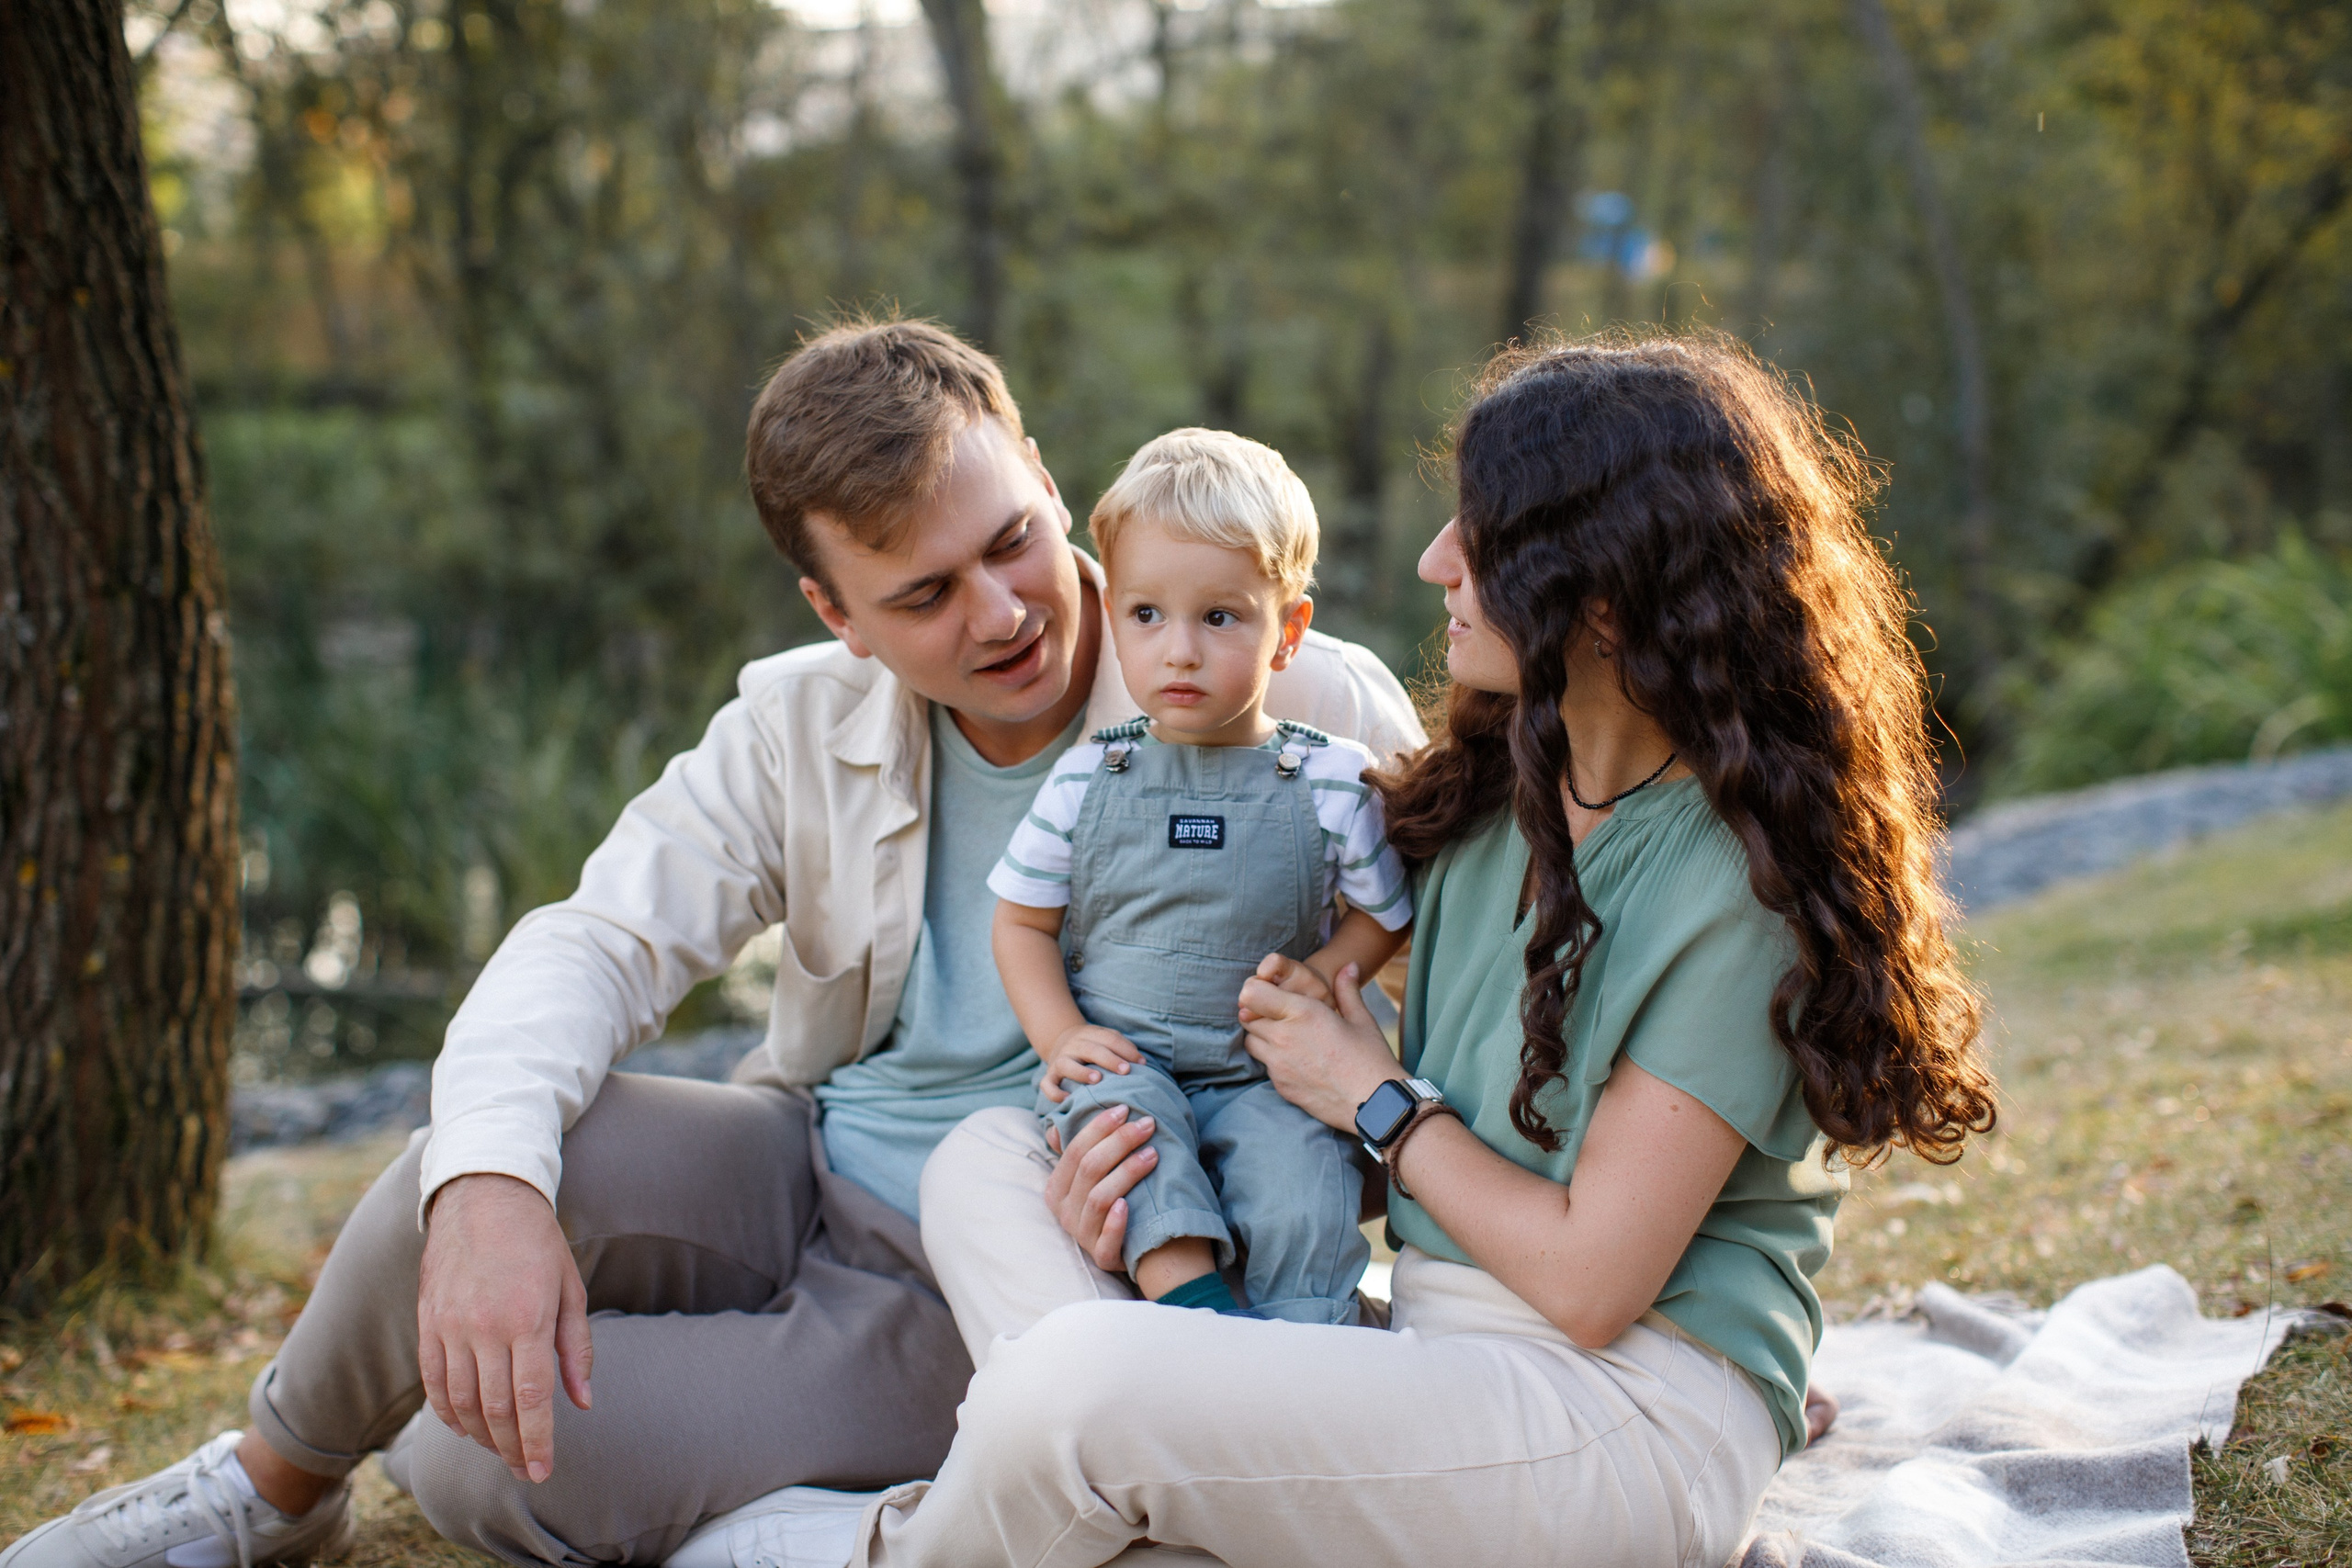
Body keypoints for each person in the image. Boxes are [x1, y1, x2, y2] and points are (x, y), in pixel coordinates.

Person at [0, 319, 1422, 1568]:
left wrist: (1288, 1106)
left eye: (1008, 543)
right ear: (836, 614)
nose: (1001, 613)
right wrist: (495, 1187)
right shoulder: (796, 722)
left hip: (1009, 1268)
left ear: (1047, 480)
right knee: (467, 1163)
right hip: (801, 1159)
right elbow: (596, 937)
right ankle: (272, 1487)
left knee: (474, 1454)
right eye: (923, 595)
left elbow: (1449, 975)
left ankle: (880, 1517)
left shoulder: (1294, 695)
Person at [889, 331, 1997, 1568]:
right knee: (988, 1153)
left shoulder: (1739, 882)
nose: (1435, 564)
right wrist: (1149, 1168)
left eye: (1480, 539)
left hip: (1615, 1404)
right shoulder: (1490, 796)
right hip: (1432, 1351)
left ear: (1609, 591)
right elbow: (1438, 1137)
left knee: (1076, 1388)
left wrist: (1371, 1093)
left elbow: (1585, 1278)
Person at [990, 429, 1412, 1325]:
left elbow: (1385, 915)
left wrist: (1325, 972)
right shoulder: (1085, 777)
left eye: (1219, 617)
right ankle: (1198, 1329)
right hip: (1126, 1057)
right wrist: (1061, 1035)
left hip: (1266, 1073)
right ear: (1115, 621)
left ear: (1287, 632)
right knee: (1126, 1150)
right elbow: (1019, 921)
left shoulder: (1331, 777)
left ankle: (1311, 1352)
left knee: (1305, 1185)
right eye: (1147, 615)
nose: (1178, 651)